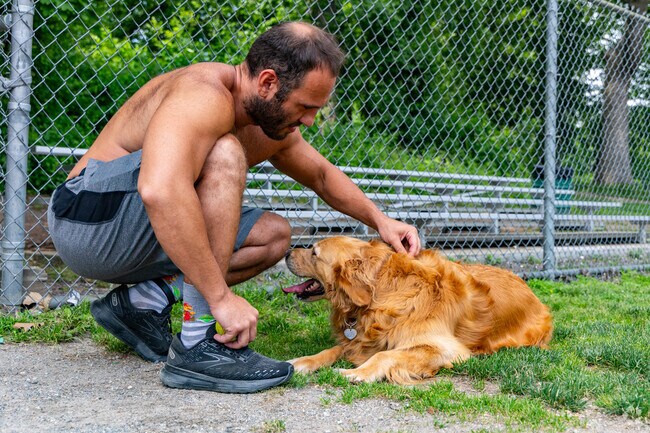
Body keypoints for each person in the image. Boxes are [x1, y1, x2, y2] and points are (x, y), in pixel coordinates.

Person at [47, 21, 421, 394]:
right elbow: (160, 190)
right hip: (87, 223)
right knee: (225, 152)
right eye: (305, 107)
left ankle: (142, 302)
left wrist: (381, 221)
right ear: (268, 82)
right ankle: (197, 344)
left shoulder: (266, 121)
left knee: (272, 236)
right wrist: (221, 299)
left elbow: (321, 175)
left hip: (126, 227)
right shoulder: (204, 94)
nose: (308, 120)